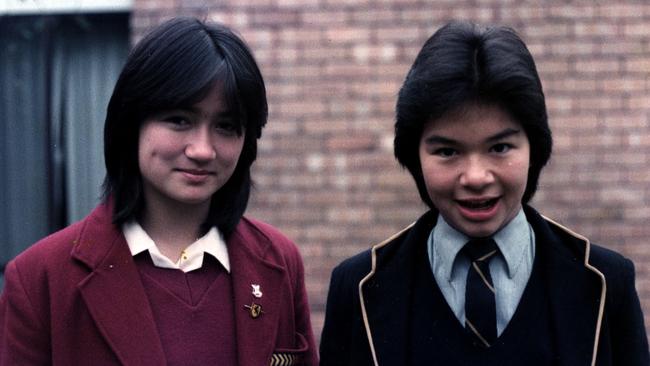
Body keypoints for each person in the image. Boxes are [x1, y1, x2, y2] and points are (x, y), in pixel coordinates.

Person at [319, 21, 648, 366]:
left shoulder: (606, 281)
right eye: (447, 152)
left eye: (500, 147)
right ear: (413, 155)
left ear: (534, 147)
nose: (476, 177)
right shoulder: (357, 286)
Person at [0, 17, 317, 366]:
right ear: (130, 123)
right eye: (180, 120)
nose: (202, 149)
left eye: (226, 126)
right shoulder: (41, 278)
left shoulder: (279, 261)